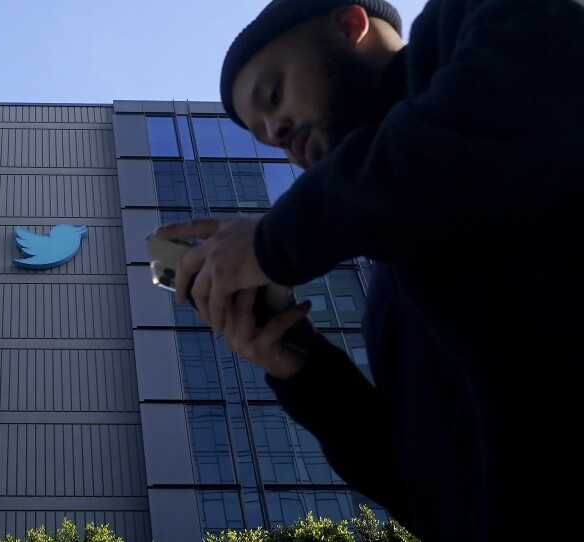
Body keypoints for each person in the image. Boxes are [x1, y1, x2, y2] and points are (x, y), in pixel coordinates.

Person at [156, 0, 584, 539]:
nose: (278, 130)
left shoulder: (477, 23)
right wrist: (304, 370)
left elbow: (498, 120)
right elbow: (432, 493)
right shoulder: (388, 298)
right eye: (264, 133)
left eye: (274, 94)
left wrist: (271, 242)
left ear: (351, 23)